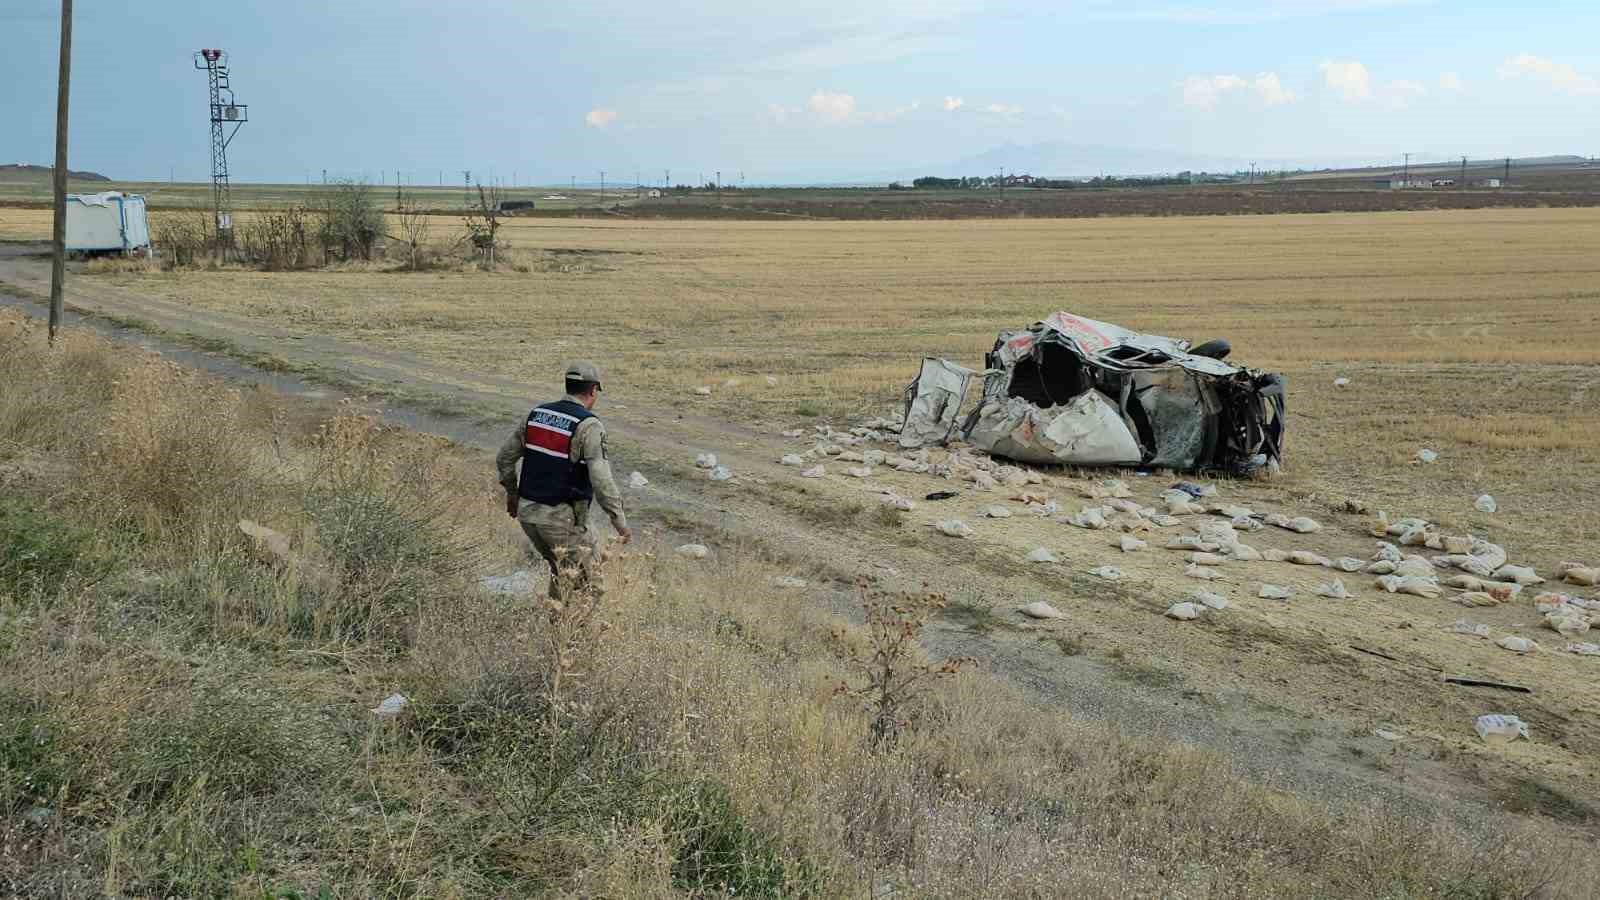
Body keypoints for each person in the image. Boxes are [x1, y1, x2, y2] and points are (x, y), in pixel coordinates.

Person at [496, 361, 631, 600]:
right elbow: (601, 480)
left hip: (528, 516)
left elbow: (504, 458)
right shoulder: (589, 426)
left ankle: (558, 628)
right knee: (591, 586)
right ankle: (574, 635)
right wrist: (619, 521)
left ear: (568, 386)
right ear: (593, 390)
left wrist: (513, 496)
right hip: (561, 519)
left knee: (563, 573)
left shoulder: (537, 414)